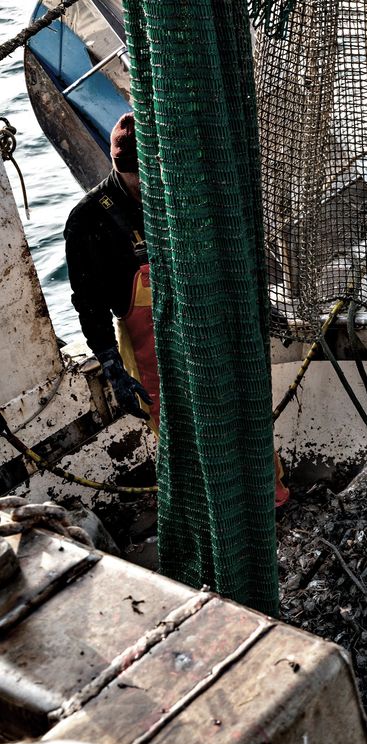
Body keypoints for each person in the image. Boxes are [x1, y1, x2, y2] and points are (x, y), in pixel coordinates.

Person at [65, 113, 289, 506]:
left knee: (241, 414)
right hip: (149, 349)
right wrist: (110, 363)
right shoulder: (87, 219)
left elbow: (231, 253)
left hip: (210, 323)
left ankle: (272, 503)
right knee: (181, 435)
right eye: (132, 174)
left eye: (148, 172)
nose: (143, 184)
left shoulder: (183, 191)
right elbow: (88, 301)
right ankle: (210, 517)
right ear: (116, 163)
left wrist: (258, 304)